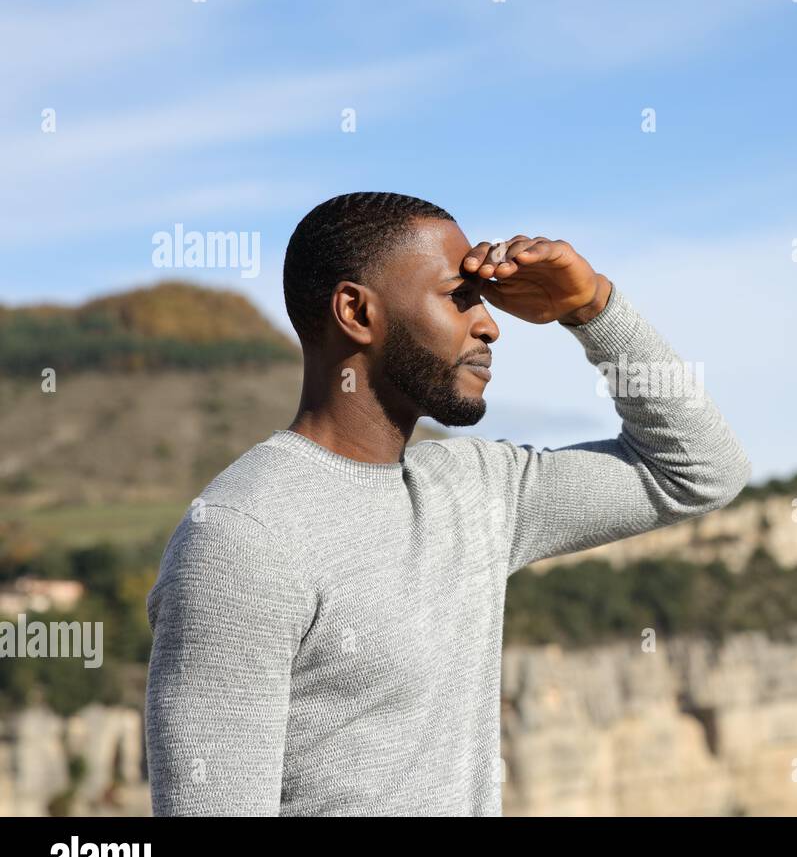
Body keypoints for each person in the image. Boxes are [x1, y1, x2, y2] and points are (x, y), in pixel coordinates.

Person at [144, 191, 751, 815]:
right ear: (356, 311)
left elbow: (700, 470)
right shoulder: (241, 538)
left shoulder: (478, 487)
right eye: (459, 297)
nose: (489, 324)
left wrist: (591, 307)